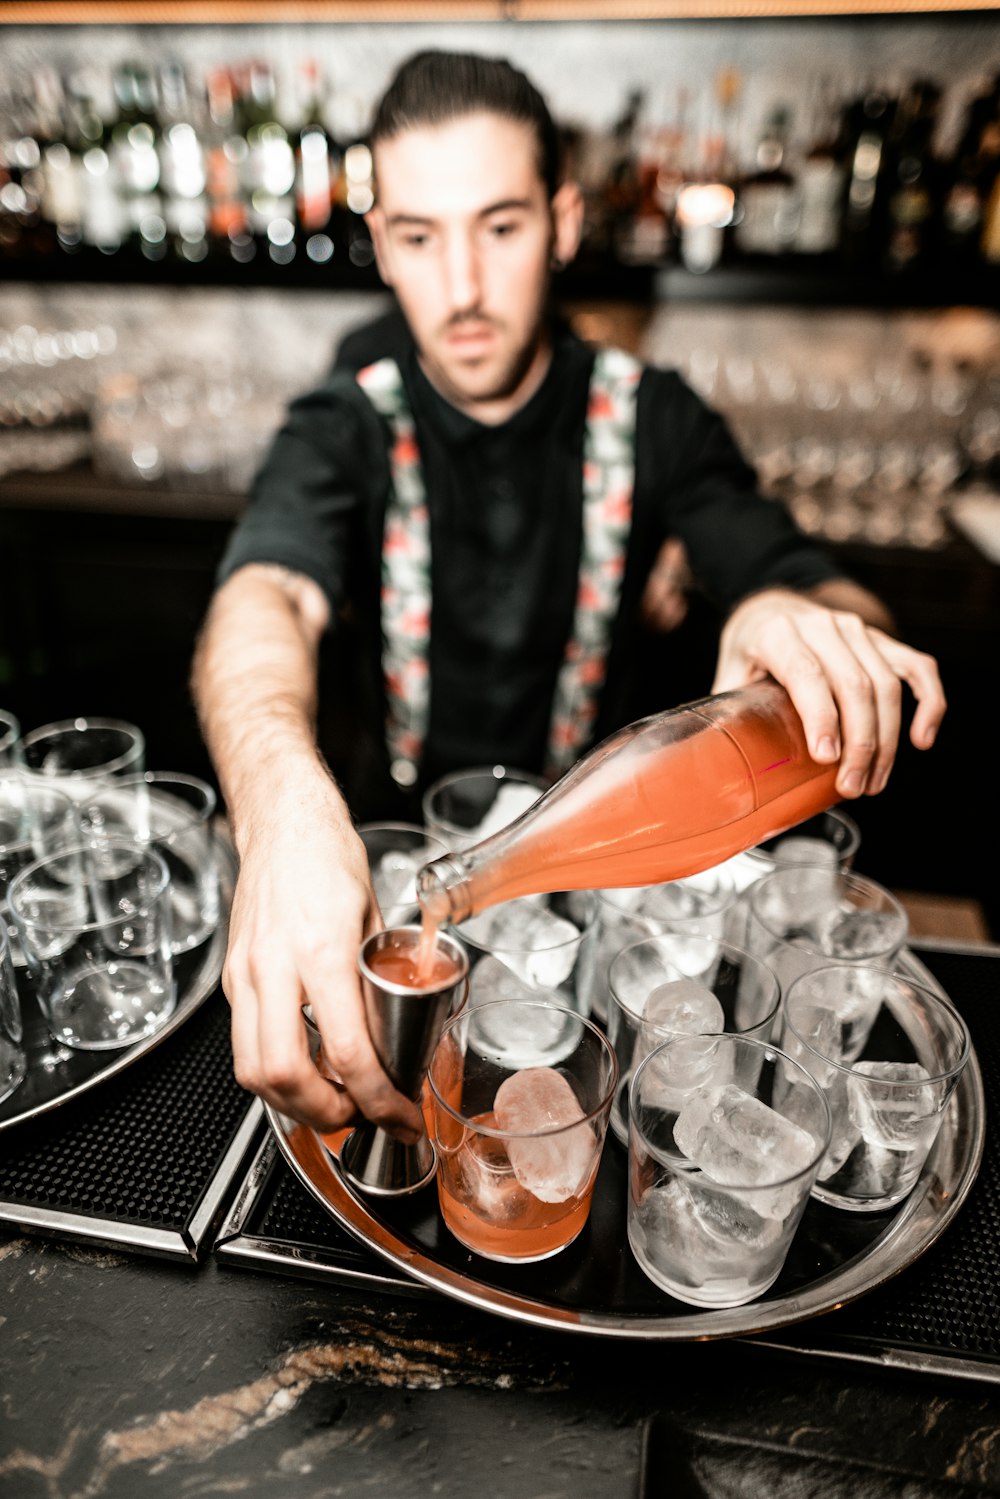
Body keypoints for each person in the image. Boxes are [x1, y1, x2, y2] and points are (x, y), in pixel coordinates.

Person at [191, 49, 946, 1146]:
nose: (458, 287)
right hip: (397, 875)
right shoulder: (344, 418)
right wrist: (278, 803)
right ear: (381, 244)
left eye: (498, 227)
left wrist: (797, 619)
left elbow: (827, 591)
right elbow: (263, 596)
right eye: (417, 237)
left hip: (604, 900)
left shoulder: (654, 416)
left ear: (562, 221)